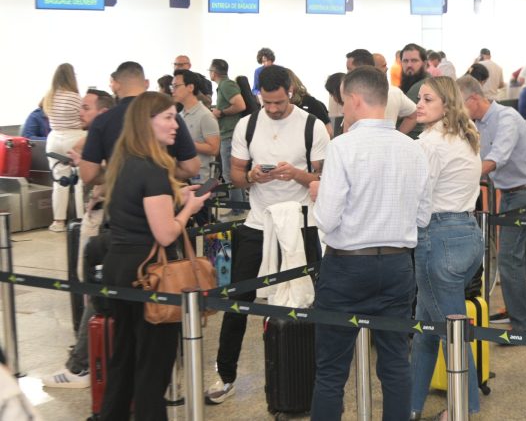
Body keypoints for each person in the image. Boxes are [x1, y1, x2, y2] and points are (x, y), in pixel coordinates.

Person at [310, 66, 428, 420]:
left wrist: (317, 195)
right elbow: (422, 218)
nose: (342, 110)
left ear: (355, 100)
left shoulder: (342, 147)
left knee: (331, 369)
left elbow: (327, 219)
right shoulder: (414, 149)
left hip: (346, 264)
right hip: (396, 265)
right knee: (395, 363)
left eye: (344, 102)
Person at [206, 65, 327, 405]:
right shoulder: (248, 123)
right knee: (237, 301)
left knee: (311, 300)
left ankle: (314, 377)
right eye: (266, 102)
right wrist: (253, 176)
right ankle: (226, 374)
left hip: (302, 225)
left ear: (291, 91)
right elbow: (236, 174)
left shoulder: (311, 125)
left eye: (278, 102)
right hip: (258, 223)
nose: (272, 109)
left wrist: (296, 174)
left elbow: (323, 178)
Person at [100, 92, 210, 420]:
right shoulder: (153, 171)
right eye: (167, 118)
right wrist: (188, 208)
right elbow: (164, 233)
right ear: (146, 124)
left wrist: (177, 196)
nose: (175, 124)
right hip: (151, 275)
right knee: (153, 368)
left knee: (124, 358)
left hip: (120, 268)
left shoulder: (124, 164)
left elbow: (140, 209)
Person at [409, 76, 483, 418]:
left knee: (451, 336)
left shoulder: (430, 143)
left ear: (446, 105)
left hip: (437, 239)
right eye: (419, 99)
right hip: (467, 234)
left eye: (428, 99)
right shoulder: (465, 138)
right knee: (426, 332)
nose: (419, 105)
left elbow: (420, 199)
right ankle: (409, 407)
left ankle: (463, 410)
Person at [41, 88, 115, 390]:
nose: (80, 112)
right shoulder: (104, 134)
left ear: (103, 111)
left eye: (86, 107)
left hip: (112, 224)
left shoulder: (114, 134)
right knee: (94, 293)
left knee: (95, 292)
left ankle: (81, 365)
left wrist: (95, 174)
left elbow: (112, 175)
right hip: (102, 218)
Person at [459, 75, 526, 335]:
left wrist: (461, 178)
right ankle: (514, 312)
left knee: (508, 259)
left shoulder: (507, 119)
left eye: (460, 104)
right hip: (507, 194)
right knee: (510, 258)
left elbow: (497, 158)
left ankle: (522, 327)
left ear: (473, 99)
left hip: (525, 195)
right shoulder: (478, 123)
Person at [79, 61, 199, 187]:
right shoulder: (167, 115)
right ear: (146, 83)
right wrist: (161, 171)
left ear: (116, 85)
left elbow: (88, 174)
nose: (173, 125)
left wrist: (117, 174)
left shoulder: (102, 121)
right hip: (163, 193)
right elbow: (191, 167)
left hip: (121, 196)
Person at [42, 63, 85, 232]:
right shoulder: (74, 97)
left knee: (59, 181)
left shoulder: (49, 96)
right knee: (81, 180)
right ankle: (81, 220)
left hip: (53, 139)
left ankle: (58, 222)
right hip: (74, 137)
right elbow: (83, 118)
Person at [209, 59, 247, 213]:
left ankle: (237, 208)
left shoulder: (226, 85)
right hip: (229, 134)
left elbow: (240, 105)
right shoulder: (225, 85)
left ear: (214, 72)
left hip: (230, 135)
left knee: (230, 174)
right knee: (233, 173)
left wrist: (221, 112)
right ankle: (240, 206)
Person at [171, 69, 219, 184]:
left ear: (190, 87)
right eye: (172, 86)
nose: (173, 91)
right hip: (181, 176)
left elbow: (214, 149)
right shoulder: (179, 116)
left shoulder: (205, 115)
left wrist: (186, 143)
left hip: (200, 179)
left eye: (176, 86)